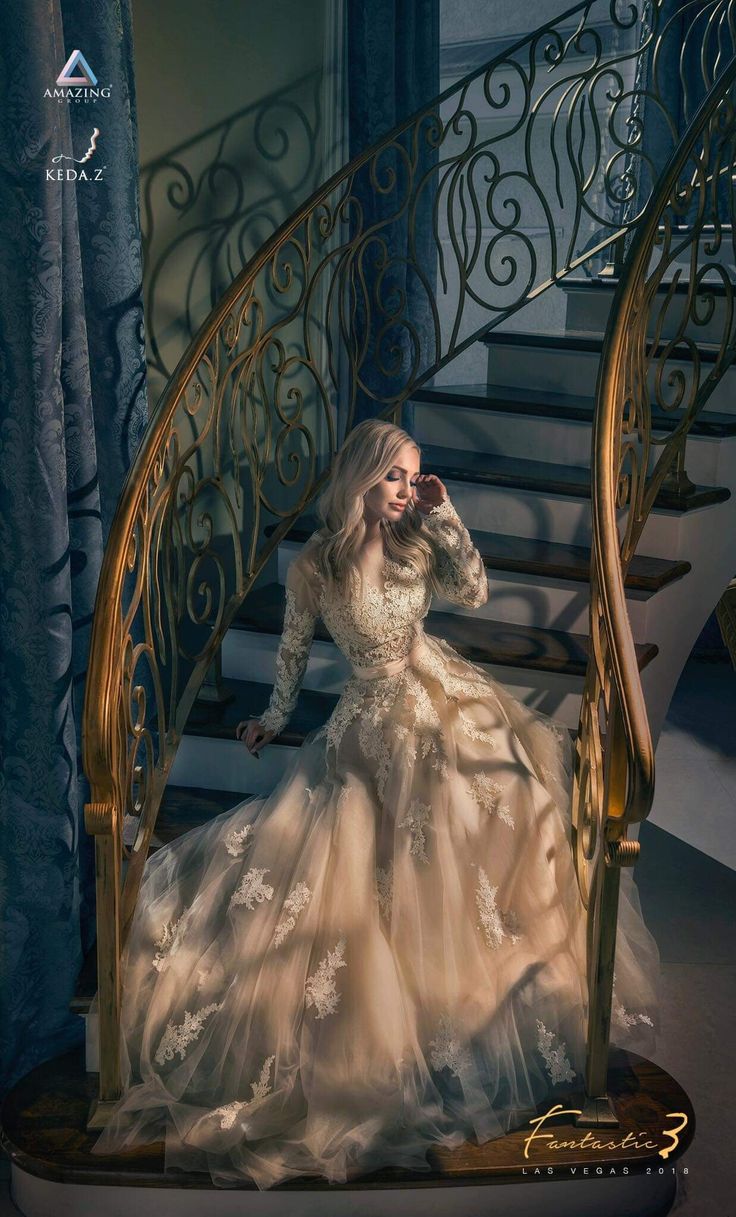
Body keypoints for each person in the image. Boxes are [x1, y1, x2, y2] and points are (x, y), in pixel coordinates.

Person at [89, 418, 660, 1190]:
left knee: (490, 806)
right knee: (350, 855)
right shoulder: (316, 565)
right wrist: (276, 717)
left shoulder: (420, 540)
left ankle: (483, 993)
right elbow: (293, 649)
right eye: (395, 477)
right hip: (366, 720)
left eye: (414, 475)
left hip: (437, 693)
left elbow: (474, 588)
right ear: (360, 477)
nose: (405, 489)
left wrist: (446, 514)